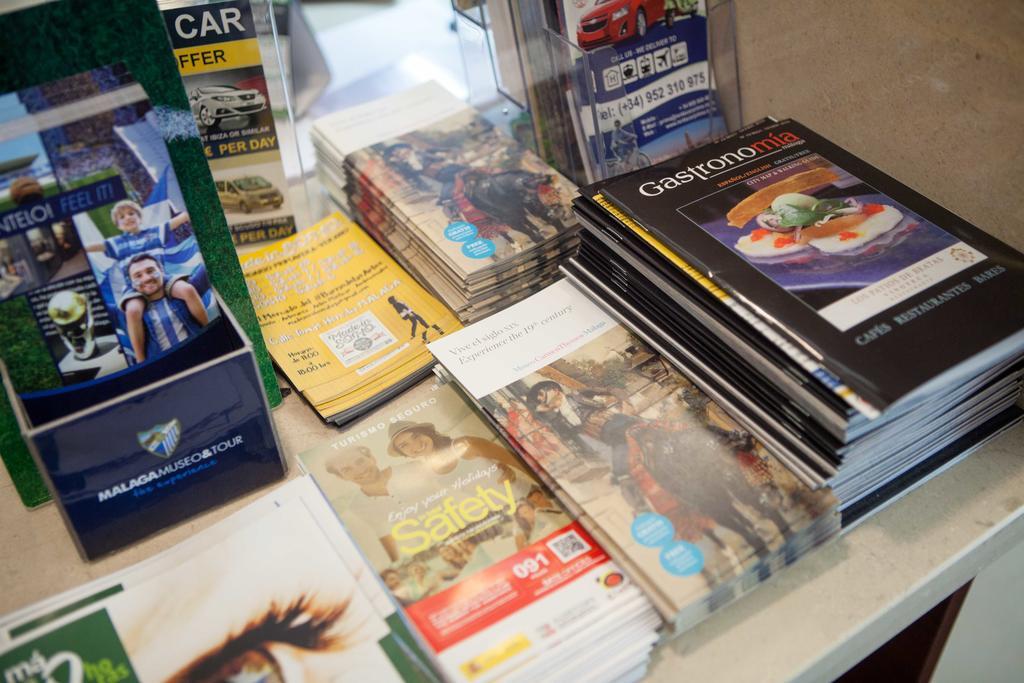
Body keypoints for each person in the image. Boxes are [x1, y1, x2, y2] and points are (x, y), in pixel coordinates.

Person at [87, 201, 206, 363]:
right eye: (122, 217)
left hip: (163, 279)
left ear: (139, 217)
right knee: (133, 311)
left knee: (187, 290)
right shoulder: (117, 244)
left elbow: (182, 218)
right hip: (135, 287)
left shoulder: (155, 232)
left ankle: (205, 328)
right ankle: (141, 359)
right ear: (118, 225)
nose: (128, 217)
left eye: (131, 213)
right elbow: (89, 247)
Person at [324, 445, 417, 562]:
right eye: (347, 470)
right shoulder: (356, 507)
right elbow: (386, 539)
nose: (359, 470)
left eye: (360, 461)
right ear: (341, 477)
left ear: (372, 458)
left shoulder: (414, 468)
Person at [125, 253, 207, 360]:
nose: (146, 278)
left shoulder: (185, 291)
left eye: (150, 271)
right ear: (131, 283)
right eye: (138, 276)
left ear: (161, 270)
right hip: (165, 366)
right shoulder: (130, 311)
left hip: (200, 354)